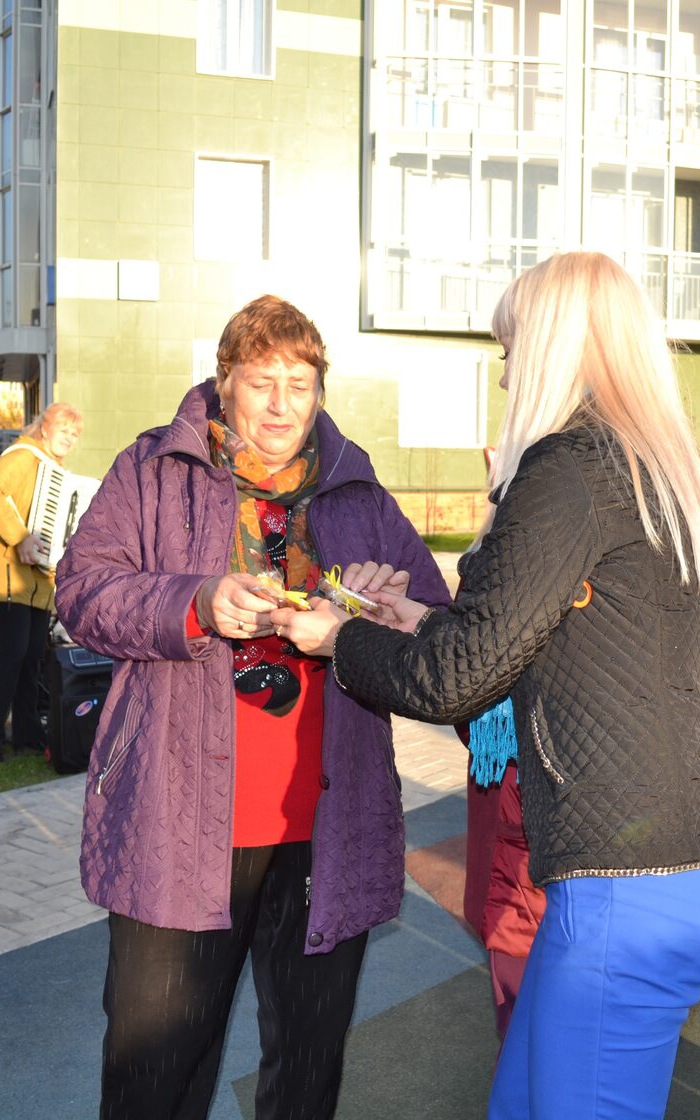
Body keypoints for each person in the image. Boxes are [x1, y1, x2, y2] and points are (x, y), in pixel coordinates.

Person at [275, 251, 700, 1119]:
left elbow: (455, 682)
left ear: (554, 347)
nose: (501, 372)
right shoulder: (650, 471)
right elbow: (539, 640)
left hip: (621, 877)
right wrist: (418, 621)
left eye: (510, 348)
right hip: (659, 863)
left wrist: (339, 637)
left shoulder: (569, 468)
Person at [54, 295, 449, 1120]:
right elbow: (82, 593)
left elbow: (439, 619)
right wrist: (194, 601)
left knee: (307, 1068)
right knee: (156, 1072)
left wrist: (385, 608)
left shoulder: (355, 490)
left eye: (299, 385)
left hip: (325, 825)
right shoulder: (153, 469)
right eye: (262, 382)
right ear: (225, 380)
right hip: (179, 820)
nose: (280, 406)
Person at [463, 643, 700, 1042]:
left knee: (627, 1020)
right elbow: (463, 679)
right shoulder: (507, 598)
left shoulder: (677, 594)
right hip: (535, 831)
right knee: (533, 1026)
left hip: (643, 828)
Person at [0, 400, 83, 763]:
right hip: (6, 576)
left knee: (32, 657)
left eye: (74, 434)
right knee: (12, 654)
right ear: (44, 428)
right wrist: (20, 537)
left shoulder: (54, 469)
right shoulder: (23, 456)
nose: (69, 438)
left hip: (37, 584)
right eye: (63, 430)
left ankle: (27, 735)